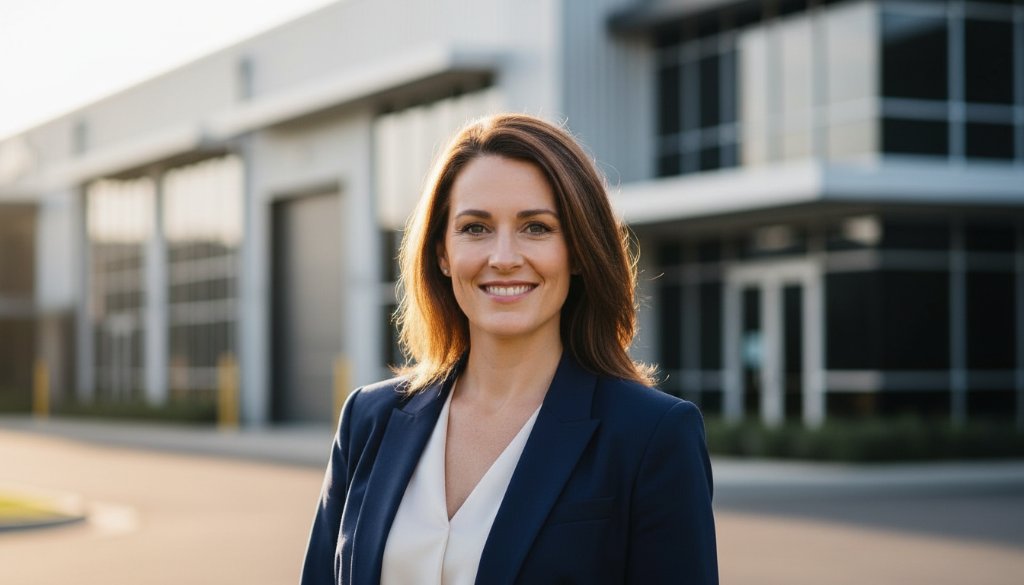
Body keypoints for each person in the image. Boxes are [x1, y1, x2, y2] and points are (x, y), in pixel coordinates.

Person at [300, 113, 718, 585]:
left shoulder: (652, 436)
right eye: (475, 228)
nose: (502, 258)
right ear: (442, 253)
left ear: (578, 251)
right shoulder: (368, 420)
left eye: (536, 228)